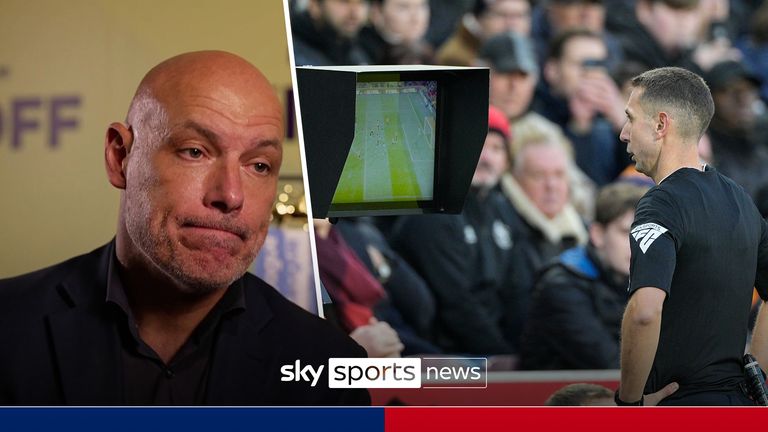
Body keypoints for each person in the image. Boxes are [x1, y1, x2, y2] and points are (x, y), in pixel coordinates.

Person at [0, 51, 369, 405]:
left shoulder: (327, 369)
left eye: (259, 165)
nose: (231, 195)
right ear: (120, 158)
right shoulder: (9, 326)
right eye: (195, 151)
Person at [616, 66, 768, 406]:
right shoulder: (740, 199)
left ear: (660, 125)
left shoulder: (659, 204)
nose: (624, 133)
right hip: (741, 407)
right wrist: (758, 375)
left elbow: (645, 311)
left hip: (682, 408)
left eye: (630, 118)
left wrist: (629, 403)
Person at [390, 107, 526, 355]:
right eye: (479, 144)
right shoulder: (431, 212)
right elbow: (455, 302)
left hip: (496, 350)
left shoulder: (503, 209)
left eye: (497, 149)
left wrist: (520, 352)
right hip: (443, 355)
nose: (486, 158)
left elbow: (518, 289)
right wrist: (503, 354)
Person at [520, 182, 647, 370]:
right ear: (597, 234)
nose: (638, 244)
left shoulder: (634, 280)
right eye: (626, 232)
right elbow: (612, 365)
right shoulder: (560, 287)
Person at [533, 29, 630, 186]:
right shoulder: (535, 114)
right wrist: (579, 127)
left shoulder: (614, 120)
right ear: (552, 71)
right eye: (583, 65)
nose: (591, 74)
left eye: (598, 64)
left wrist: (624, 124)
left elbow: (639, 181)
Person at [291, 0, 372, 66]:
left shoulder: (359, 54)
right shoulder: (294, 58)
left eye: (362, 2)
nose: (355, 13)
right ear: (315, 5)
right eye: (344, 1)